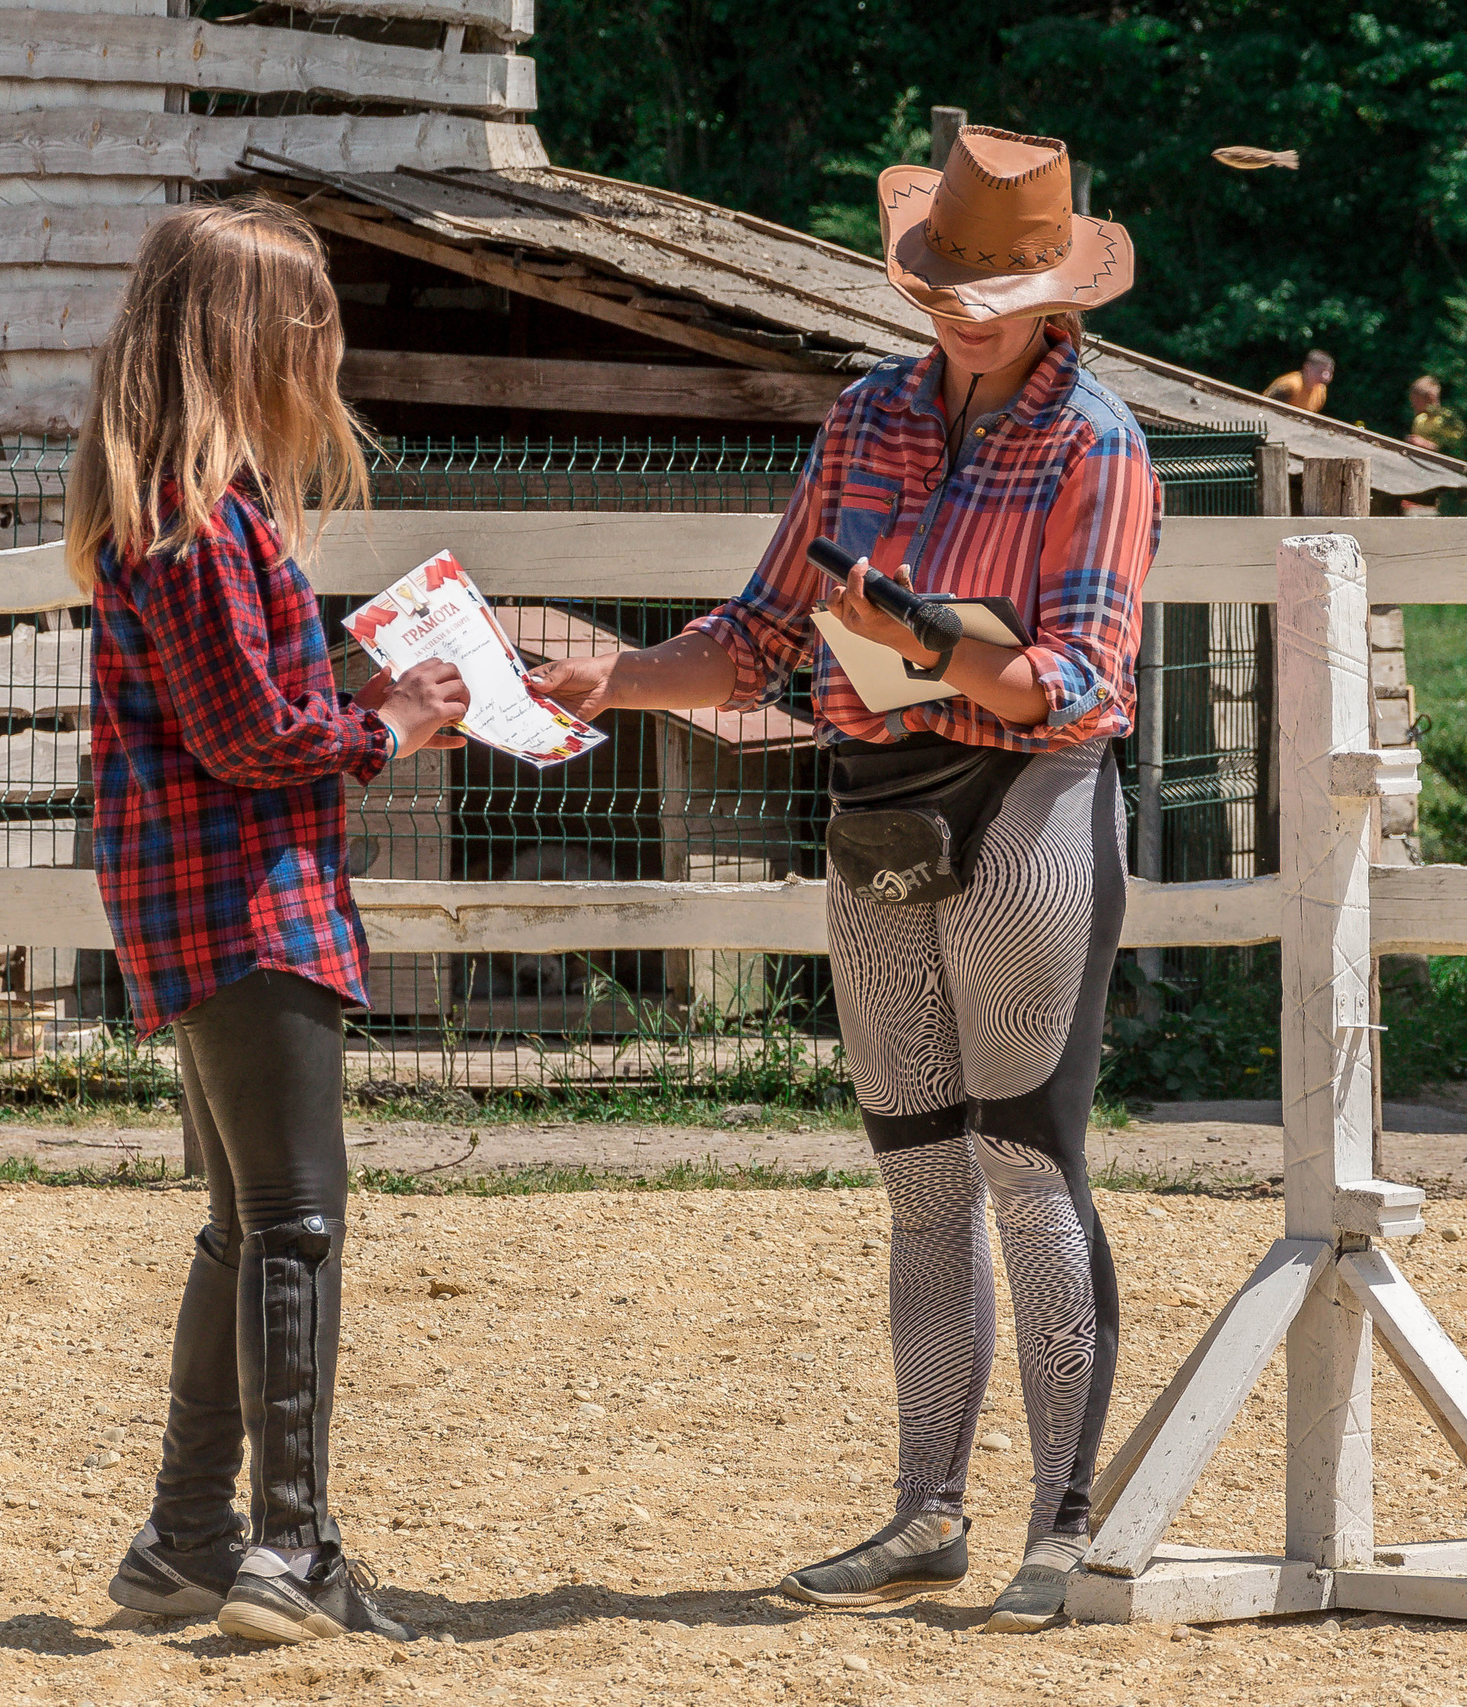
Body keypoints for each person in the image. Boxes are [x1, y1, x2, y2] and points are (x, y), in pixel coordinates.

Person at [532, 127, 1159, 1635]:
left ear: (1053, 289)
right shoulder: (865, 415)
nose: (960, 303)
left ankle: (1061, 1523)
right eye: (947, 274)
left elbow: (1074, 678)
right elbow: (759, 634)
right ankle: (925, 1511)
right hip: (876, 798)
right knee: (920, 1176)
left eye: (991, 279)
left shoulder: (1099, 445)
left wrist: (929, 635)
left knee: (1025, 1157)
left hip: (1027, 801)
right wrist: (614, 677)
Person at [72, 201, 469, 1646]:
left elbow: (235, 702)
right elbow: (247, 733)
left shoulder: (195, 507)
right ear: (249, 336)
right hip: (246, 898)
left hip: (196, 896)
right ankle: (289, 1549)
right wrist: (389, 717)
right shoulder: (197, 517)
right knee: (298, 1219)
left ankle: (187, 1539)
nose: (328, 346)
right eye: (309, 321)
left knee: (245, 1225)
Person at [1263, 348, 1334, 413]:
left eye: (1328, 373)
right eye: (1320, 371)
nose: (1325, 377)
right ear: (1307, 367)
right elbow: (1265, 408)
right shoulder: (1289, 386)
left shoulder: (1321, 391)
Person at [1407, 375, 1465, 455]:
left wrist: (1425, 445)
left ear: (1430, 398)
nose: (1413, 405)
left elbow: (1454, 450)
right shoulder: (1419, 420)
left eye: (1416, 400)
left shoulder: (1446, 419)